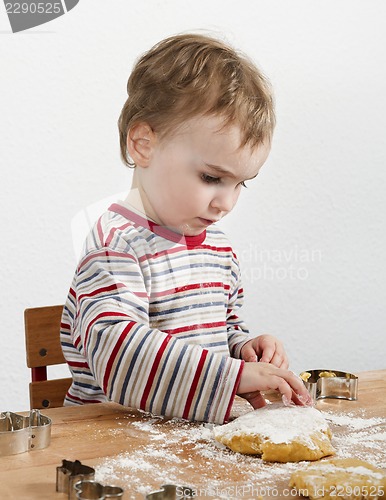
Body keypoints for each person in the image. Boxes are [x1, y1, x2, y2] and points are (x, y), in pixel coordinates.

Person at [61, 33, 312, 424]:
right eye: (212, 177)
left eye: (240, 184)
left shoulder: (218, 250)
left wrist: (244, 348)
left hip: (187, 441)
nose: (226, 203)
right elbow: (119, 354)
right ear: (143, 144)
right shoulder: (115, 245)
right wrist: (233, 377)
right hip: (109, 445)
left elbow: (218, 332)